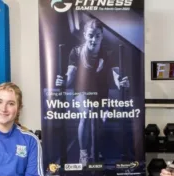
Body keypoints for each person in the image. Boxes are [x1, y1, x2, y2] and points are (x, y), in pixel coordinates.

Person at [54, 18, 130, 166]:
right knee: (87, 113)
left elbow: (116, 74)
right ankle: (84, 153)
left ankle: (96, 149)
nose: (94, 39)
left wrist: (121, 82)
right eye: (90, 35)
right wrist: (64, 81)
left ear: (102, 36)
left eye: (97, 36)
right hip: (81, 93)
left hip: (101, 93)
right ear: (84, 35)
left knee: (101, 121)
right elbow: (70, 74)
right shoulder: (76, 52)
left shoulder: (108, 53)